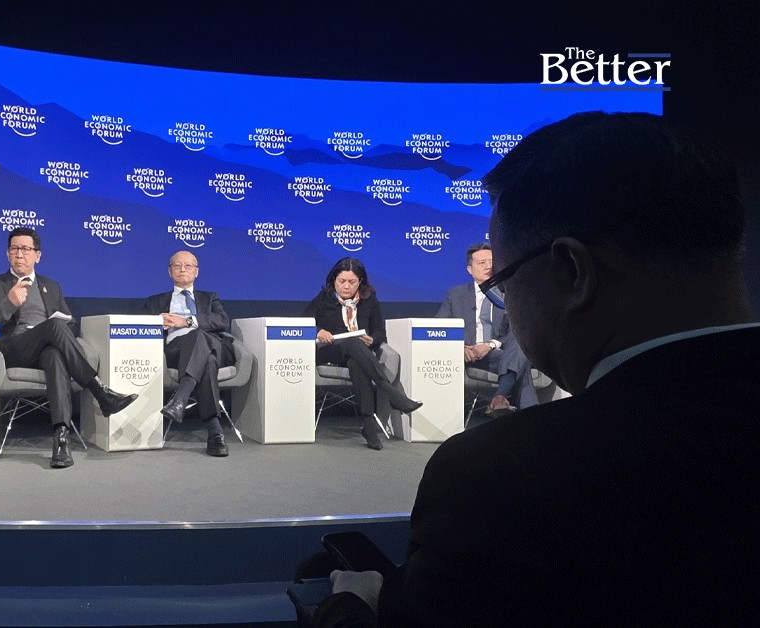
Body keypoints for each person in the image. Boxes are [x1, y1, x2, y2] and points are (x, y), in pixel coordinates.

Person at [311, 112, 758, 626]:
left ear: (571, 271)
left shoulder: (500, 474)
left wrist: (351, 606)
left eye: (502, 282)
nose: (503, 299)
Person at [0, 227, 138, 468]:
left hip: (46, 348)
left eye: (25, 249)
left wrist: (56, 330)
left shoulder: (51, 286)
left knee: (55, 354)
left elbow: (70, 324)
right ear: (7, 253)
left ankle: (61, 438)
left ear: (37, 255)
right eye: (14, 249)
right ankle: (99, 391)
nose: (19, 254)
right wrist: (9, 304)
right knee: (53, 327)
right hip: (15, 350)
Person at [303, 257, 422, 450]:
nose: (346, 286)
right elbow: (302, 324)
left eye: (352, 282)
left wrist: (372, 340)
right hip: (330, 351)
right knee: (351, 341)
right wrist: (318, 331)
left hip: (358, 355)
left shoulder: (369, 300)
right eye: (342, 281)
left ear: (360, 282)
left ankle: (368, 427)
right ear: (334, 280)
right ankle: (390, 392)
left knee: (356, 363)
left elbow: (379, 332)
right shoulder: (324, 298)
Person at [141, 250, 237, 457]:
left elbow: (222, 321)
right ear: (169, 272)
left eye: (188, 266)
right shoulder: (154, 302)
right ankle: (215, 433)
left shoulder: (209, 298)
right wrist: (156, 321)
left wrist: (186, 321)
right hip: (175, 351)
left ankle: (180, 399)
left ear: (196, 272)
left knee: (199, 337)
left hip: (213, 345)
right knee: (207, 361)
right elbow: (140, 329)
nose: (183, 269)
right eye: (177, 265)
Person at [436, 242, 538, 420]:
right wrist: (459, 348)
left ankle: (499, 398)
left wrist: (490, 345)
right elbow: (439, 327)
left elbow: (514, 330)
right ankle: (528, 417)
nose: (488, 267)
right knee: (521, 365)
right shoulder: (456, 294)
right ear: (470, 269)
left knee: (519, 339)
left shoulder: (508, 293)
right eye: (482, 263)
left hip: (500, 353)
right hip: (469, 355)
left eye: (491, 262)